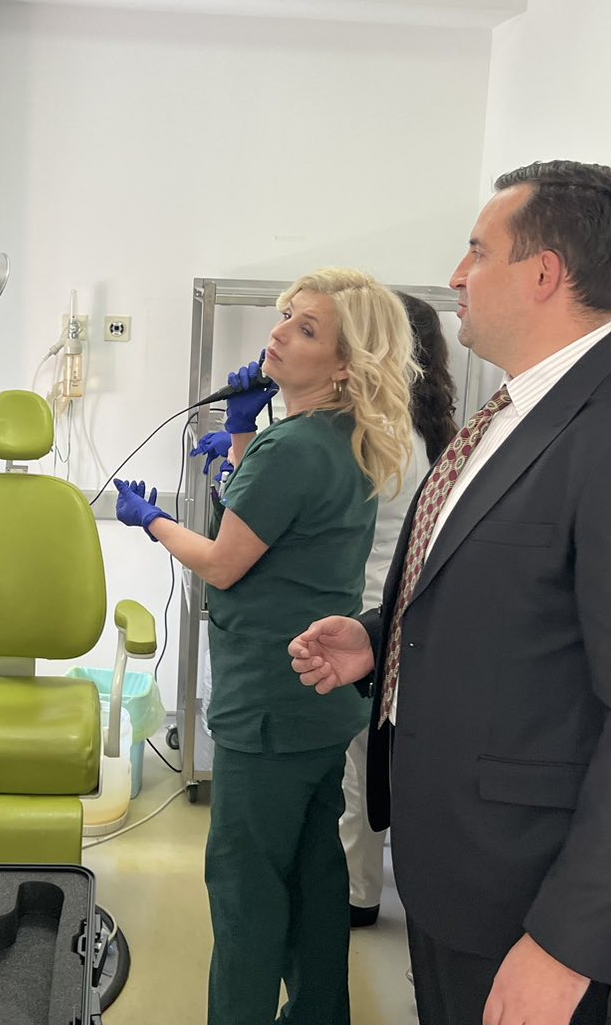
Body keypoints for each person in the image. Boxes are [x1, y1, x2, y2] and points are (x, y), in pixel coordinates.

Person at [289, 162, 611, 1025]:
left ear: (544, 273)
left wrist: (565, 945)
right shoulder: (513, 414)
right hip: (452, 861)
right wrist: (380, 636)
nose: (457, 275)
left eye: (477, 252)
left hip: (528, 893)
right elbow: (503, 592)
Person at [114, 268, 415, 1025]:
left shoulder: (294, 449)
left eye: (306, 329)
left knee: (246, 889)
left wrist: (150, 520)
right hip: (320, 704)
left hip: (268, 707)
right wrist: (247, 434)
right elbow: (274, 524)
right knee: (314, 879)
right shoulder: (343, 438)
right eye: (285, 317)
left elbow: (224, 561)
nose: (277, 334)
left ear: (344, 364)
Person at [340, 292, 457, 929]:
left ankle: (357, 896)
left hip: (367, 618)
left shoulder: (380, 438)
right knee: (373, 765)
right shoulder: (429, 430)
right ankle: (365, 884)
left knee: (360, 769)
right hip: (396, 616)